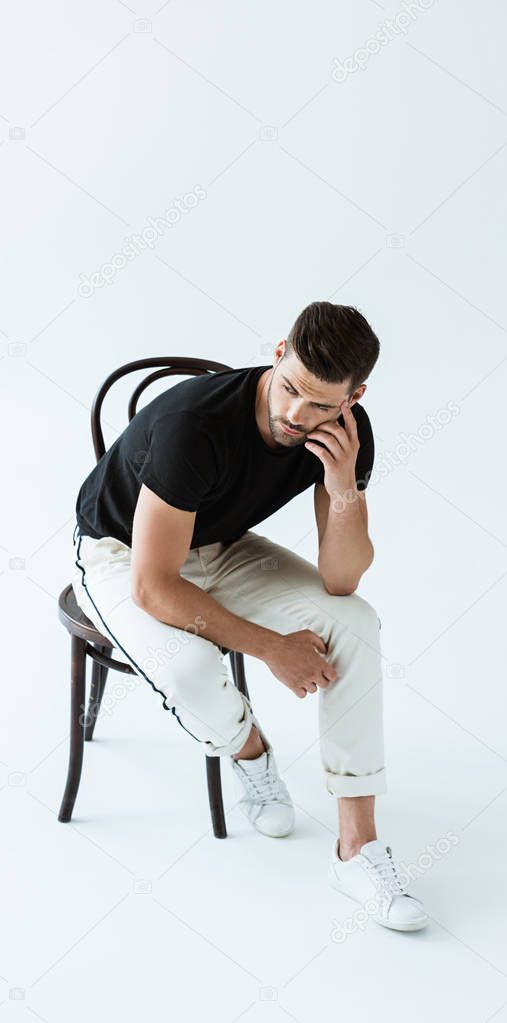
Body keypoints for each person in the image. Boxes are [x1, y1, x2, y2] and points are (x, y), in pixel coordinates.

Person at [71, 300, 427, 933]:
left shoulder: (347, 432)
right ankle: (251, 752)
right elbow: (154, 587)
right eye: (291, 389)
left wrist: (342, 482)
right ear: (278, 351)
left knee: (358, 623)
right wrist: (270, 647)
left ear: (356, 395)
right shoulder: (194, 423)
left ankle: (357, 848)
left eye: (322, 404)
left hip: (222, 544)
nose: (297, 416)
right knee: (187, 670)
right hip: (123, 554)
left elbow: (342, 579)